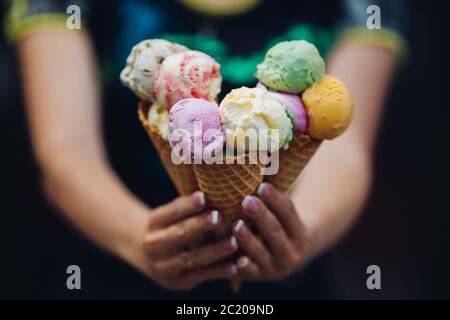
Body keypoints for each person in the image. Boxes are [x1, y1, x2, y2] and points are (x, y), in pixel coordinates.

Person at [4, 0, 406, 298]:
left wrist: (304, 234)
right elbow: (65, 149)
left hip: (289, 285)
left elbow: (344, 146)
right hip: (110, 268)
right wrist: (135, 237)